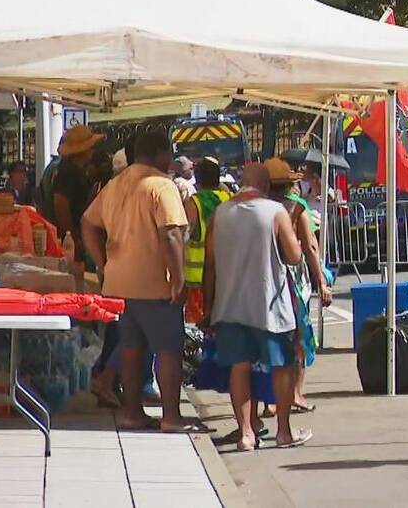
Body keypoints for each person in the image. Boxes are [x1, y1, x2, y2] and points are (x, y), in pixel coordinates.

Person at [81, 132, 195, 432]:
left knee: (131, 349)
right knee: (169, 349)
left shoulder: (116, 184)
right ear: (160, 153)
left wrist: (104, 264)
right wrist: (179, 280)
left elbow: (88, 223)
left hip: (119, 283)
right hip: (154, 283)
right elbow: (171, 233)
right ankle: (171, 416)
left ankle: (132, 412)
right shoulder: (161, 185)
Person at [202, 163, 312, 451]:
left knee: (239, 368)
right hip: (270, 306)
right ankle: (284, 432)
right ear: (264, 185)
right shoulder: (275, 212)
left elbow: (209, 267)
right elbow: (293, 256)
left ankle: (246, 434)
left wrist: (208, 307)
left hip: (229, 305)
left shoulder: (220, 214)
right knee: (281, 366)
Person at [265, 157, 333, 414]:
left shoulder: (259, 206)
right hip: (293, 279)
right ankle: (295, 394)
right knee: (299, 337)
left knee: (271, 336)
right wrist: (322, 281)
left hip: (266, 278)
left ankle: (269, 399)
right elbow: (310, 246)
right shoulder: (297, 207)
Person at [183, 157, 233, 325]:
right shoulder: (231, 199)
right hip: (228, 276)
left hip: (198, 281)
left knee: (200, 327)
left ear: (197, 179)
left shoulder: (193, 203)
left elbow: (183, 237)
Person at [54, 125, 104, 265]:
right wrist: (74, 236)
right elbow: (61, 204)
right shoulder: (68, 171)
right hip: (73, 238)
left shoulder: (71, 169)